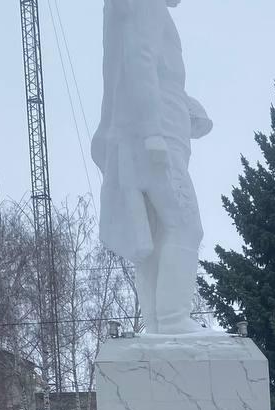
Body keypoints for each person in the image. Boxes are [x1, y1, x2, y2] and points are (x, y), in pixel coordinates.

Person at [92, 0, 213, 335]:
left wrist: (188, 109)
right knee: (186, 226)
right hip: (156, 136)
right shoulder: (146, 3)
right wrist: (152, 132)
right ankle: (173, 319)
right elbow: (138, 60)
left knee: (156, 234)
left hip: (150, 133)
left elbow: (143, 69)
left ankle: (159, 327)